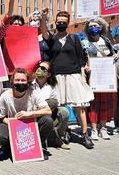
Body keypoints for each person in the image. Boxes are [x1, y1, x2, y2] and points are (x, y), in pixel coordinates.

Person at [40, 9, 95, 149]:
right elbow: (45, 32)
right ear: (56, 23)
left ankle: (85, 135)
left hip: (73, 75)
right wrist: (43, 18)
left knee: (79, 107)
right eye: (59, 22)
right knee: (61, 108)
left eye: (64, 22)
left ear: (68, 23)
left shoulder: (74, 38)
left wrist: (82, 75)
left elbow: (81, 58)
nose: (61, 24)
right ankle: (63, 133)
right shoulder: (52, 38)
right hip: (57, 76)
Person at [0, 68, 54, 159]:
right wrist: (14, 124)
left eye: (23, 80)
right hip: (11, 124)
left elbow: (48, 110)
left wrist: (29, 114)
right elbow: (0, 117)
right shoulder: (5, 96)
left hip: (31, 124)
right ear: (12, 82)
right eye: (17, 80)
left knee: (48, 121)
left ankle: (37, 147)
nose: (20, 83)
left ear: (27, 82)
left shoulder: (33, 93)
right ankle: (13, 148)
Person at [81, 18, 117, 140]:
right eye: (90, 26)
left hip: (106, 78)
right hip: (92, 78)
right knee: (93, 105)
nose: (93, 28)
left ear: (101, 27)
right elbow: (81, 59)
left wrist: (115, 57)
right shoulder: (84, 42)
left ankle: (103, 128)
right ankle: (94, 129)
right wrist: (85, 66)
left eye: (95, 25)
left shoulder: (106, 41)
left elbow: (112, 54)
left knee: (105, 105)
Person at [32, 61, 70, 150]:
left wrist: (46, 107)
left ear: (48, 74)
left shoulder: (51, 87)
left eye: (43, 69)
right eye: (38, 67)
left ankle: (56, 138)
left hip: (44, 113)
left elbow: (56, 102)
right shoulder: (29, 83)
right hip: (30, 113)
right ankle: (41, 142)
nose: (39, 69)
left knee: (64, 111)